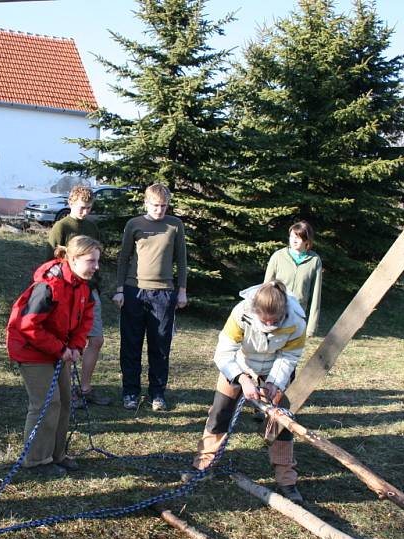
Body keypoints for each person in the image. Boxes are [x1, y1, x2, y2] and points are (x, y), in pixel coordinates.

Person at [191, 281, 307, 503]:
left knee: (281, 424)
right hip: (239, 365)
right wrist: (242, 378)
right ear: (255, 311)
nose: (270, 324)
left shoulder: (296, 322)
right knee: (220, 414)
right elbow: (224, 353)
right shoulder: (240, 313)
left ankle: (286, 480)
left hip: (274, 369)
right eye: (265, 320)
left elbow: (289, 357)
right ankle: (203, 465)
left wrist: (275, 382)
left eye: (275, 321)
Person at [7, 235, 100, 477]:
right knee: (47, 404)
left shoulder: (83, 286)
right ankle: (36, 460)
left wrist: (77, 347)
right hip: (31, 350)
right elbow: (28, 326)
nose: (96, 267)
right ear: (73, 259)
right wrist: (61, 349)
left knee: (65, 401)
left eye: (97, 261)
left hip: (58, 351)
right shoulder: (48, 287)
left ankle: (57, 454)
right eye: (91, 261)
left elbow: (85, 318)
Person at [113, 183, 187, 412]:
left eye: (164, 206)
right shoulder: (133, 224)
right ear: (146, 203)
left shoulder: (175, 225)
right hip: (134, 291)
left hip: (164, 293)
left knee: (160, 346)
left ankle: (157, 394)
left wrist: (182, 290)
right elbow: (124, 258)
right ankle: (130, 393)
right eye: (155, 205)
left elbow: (181, 260)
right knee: (131, 345)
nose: (159, 210)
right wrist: (119, 289)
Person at [45, 186, 107, 407]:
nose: (85, 212)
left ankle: (85, 388)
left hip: (90, 290)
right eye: (82, 207)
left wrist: (96, 286)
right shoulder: (61, 227)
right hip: (67, 291)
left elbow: (98, 257)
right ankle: (68, 391)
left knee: (96, 339)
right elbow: (50, 260)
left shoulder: (91, 227)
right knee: (68, 343)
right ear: (71, 203)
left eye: (89, 208)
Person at [264, 220, 322, 338]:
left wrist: (311, 327)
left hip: (297, 317)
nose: (294, 240)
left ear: (307, 240)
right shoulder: (278, 256)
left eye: (298, 238)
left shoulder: (314, 260)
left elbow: (316, 296)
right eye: (291, 236)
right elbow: (265, 288)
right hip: (275, 315)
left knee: (290, 354)